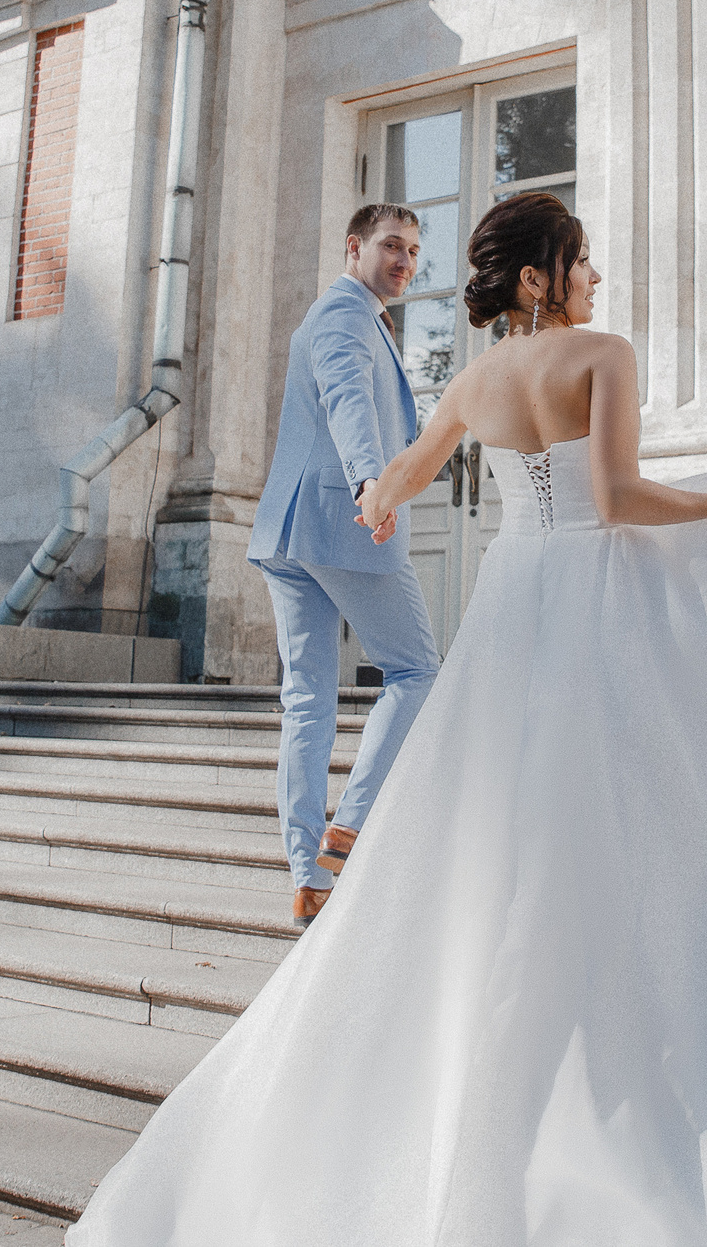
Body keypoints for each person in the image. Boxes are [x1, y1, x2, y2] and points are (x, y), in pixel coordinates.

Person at [72, 192, 707, 1246]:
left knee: (493, 857)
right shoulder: (601, 356)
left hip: (511, 610)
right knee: (628, 837)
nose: (595, 279)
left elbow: (390, 486)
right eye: (581, 261)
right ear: (541, 277)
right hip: (597, 605)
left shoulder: (472, 379)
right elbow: (621, 499)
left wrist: (371, 497)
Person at [245, 202, 441, 926]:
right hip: (343, 517)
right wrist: (372, 482)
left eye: (416, 251)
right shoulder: (344, 313)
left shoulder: (352, 315)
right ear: (354, 245)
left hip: (292, 529)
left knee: (307, 701)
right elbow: (347, 398)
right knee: (417, 669)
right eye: (393, 245)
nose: (405, 261)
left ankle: (307, 876)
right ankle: (345, 833)